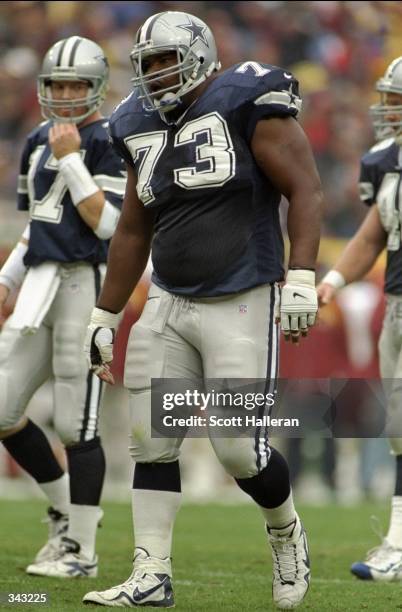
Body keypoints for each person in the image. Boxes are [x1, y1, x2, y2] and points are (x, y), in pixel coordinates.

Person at [83, 11, 322, 609]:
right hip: (168, 297)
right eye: (147, 64)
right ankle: (151, 573)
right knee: (151, 439)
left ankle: (285, 531)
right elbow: (135, 227)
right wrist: (105, 315)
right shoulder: (134, 119)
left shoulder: (244, 94)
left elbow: (306, 187)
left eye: (166, 60)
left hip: (240, 295)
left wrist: (302, 274)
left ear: (198, 54)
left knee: (238, 447)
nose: (156, 74)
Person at [0, 36, 125, 578]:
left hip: (86, 283)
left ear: (96, 85)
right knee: (2, 408)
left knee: (76, 424)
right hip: (41, 282)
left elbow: (108, 225)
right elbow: (38, 223)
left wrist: (71, 161)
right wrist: (6, 276)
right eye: (58, 83)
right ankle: (61, 512)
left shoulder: (109, 140)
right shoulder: (35, 139)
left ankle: (83, 549)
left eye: (76, 83)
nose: (67, 93)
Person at [317, 56, 402, 581]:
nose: (388, 108)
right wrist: (333, 280)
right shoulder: (383, 160)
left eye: (397, 99)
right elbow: (373, 234)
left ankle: (397, 543)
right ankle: (397, 541)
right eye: (389, 97)